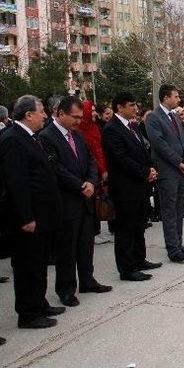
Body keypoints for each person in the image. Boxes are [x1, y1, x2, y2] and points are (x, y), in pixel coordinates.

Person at [39, 96, 112, 307]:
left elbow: (90, 160)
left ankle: (87, 280)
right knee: (67, 248)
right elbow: (56, 169)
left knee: (85, 244)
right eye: (75, 117)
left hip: (85, 199)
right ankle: (66, 288)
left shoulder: (78, 135)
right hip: (66, 200)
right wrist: (81, 186)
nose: (79, 121)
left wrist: (91, 180)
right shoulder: (47, 137)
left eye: (81, 117)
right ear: (61, 113)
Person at [0, 95, 64, 329]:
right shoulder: (12, 139)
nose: (45, 115)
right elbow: (17, 183)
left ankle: (39, 303)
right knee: (28, 265)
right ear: (28, 114)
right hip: (29, 218)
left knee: (38, 263)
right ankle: (28, 313)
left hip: (43, 215)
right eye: (41, 112)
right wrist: (26, 217)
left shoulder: (31, 137)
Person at [102, 92, 161, 281]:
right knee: (125, 229)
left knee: (139, 225)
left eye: (136, 105)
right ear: (120, 107)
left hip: (140, 185)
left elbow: (144, 151)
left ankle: (139, 259)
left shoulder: (132, 127)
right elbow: (120, 159)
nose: (135, 108)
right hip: (125, 188)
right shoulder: (112, 129)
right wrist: (144, 172)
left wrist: (151, 169)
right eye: (131, 105)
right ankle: (127, 268)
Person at [146, 84, 184, 263]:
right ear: (165, 97)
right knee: (169, 210)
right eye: (175, 96)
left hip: (182, 170)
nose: (178, 99)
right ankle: (172, 248)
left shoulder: (174, 117)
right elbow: (159, 145)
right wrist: (179, 162)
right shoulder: (153, 118)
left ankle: (179, 243)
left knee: (179, 209)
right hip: (168, 171)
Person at [77, 100, 113, 245]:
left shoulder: (94, 127)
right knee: (92, 202)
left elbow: (100, 149)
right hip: (93, 172)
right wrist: (101, 169)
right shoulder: (82, 129)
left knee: (97, 200)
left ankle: (96, 231)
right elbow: (92, 153)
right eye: (90, 110)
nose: (94, 113)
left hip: (100, 169)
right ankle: (93, 232)